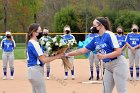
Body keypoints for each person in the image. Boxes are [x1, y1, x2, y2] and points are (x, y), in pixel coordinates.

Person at [65, 17, 128, 93]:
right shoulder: (96, 38)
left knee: (121, 90)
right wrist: (67, 54)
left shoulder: (109, 34)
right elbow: (83, 50)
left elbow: (118, 52)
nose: (93, 27)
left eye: (94, 25)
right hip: (108, 66)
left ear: (100, 25)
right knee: (105, 91)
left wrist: (104, 56)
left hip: (118, 64)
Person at [26, 23, 63, 93]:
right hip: (35, 71)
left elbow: (43, 56)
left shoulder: (32, 42)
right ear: (34, 32)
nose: (41, 33)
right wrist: (58, 56)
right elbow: (44, 60)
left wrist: (53, 53)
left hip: (33, 71)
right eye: (40, 31)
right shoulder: (34, 43)